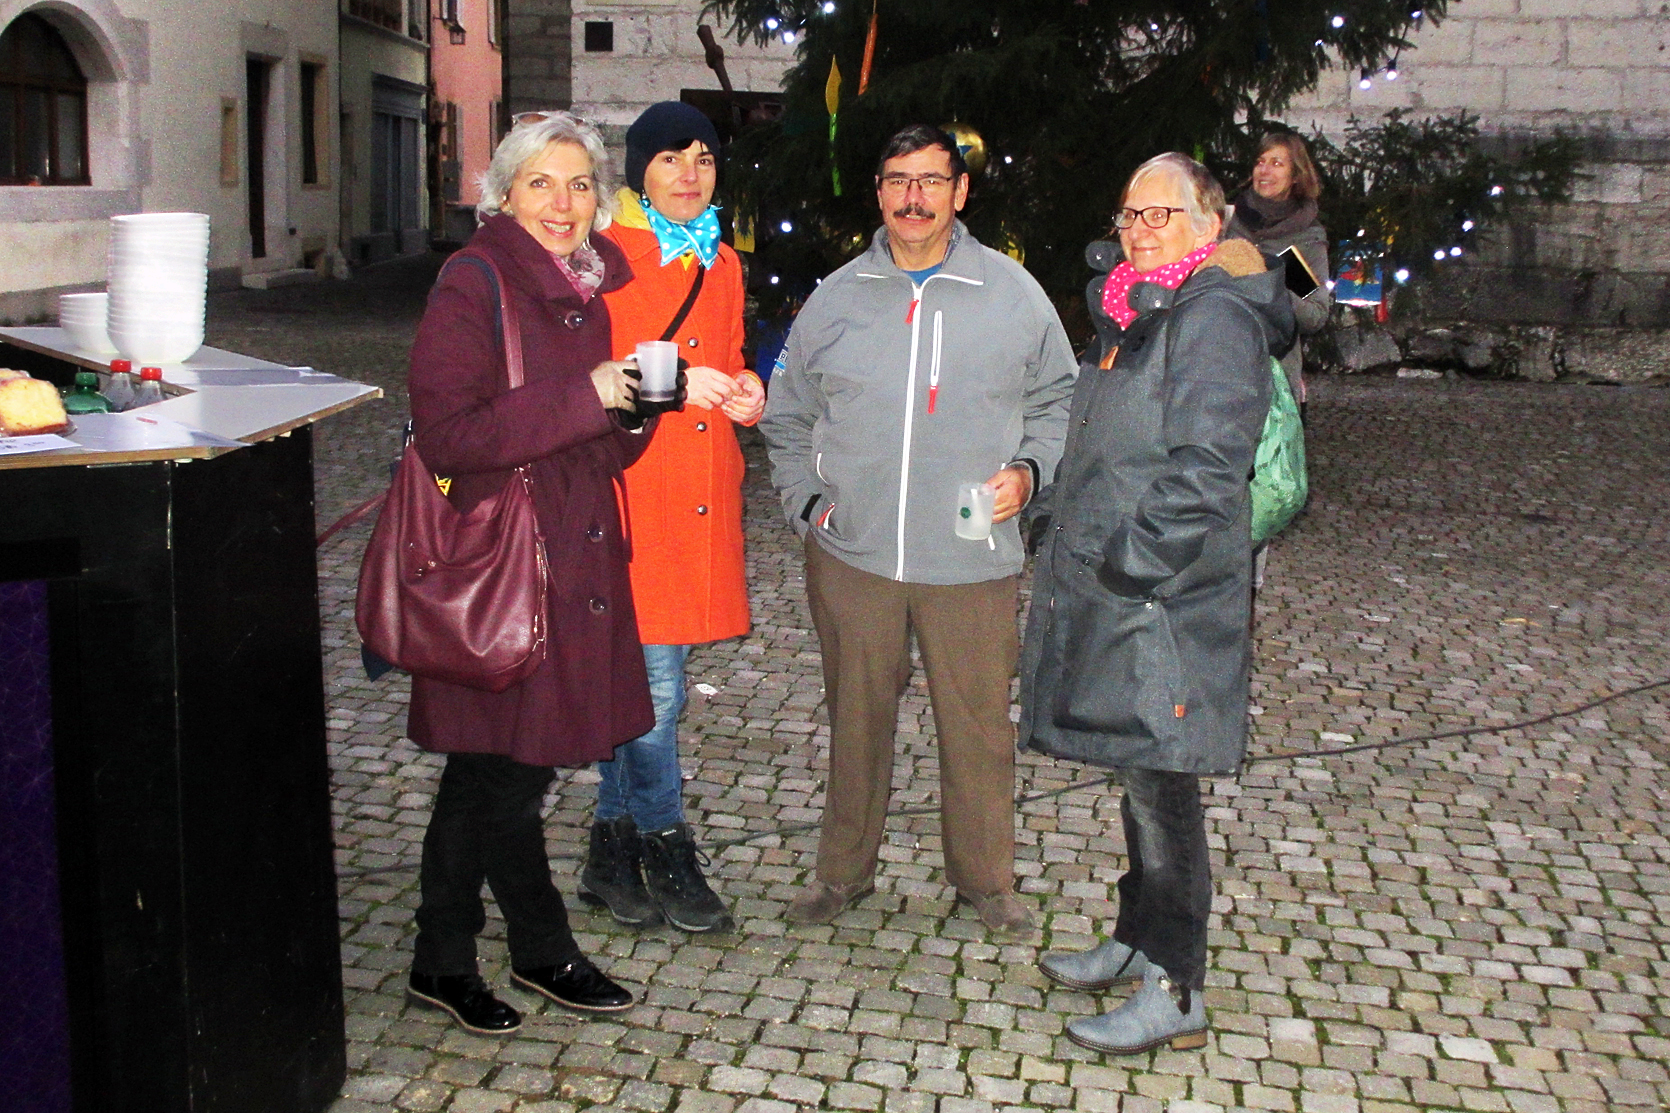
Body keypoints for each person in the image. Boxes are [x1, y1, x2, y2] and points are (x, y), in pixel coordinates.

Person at [761, 124, 1078, 941]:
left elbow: (1061, 400)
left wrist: (1031, 472)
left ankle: (986, 878)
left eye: (931, 181)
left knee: (976, 726)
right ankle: (840, 870)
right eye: (898, 179)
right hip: (854, 553)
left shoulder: (1012, 293)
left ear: (959, 192)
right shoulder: (836, 296)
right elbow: (787, 412)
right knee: (854, 716)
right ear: (878, 191)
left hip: (971, 556)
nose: (913, 197)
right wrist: (808, 505)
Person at [1019, 153, 1295, 1054]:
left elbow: (1208, 471)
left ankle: (1178, 986)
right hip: (1123, 590)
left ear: (1208, 225)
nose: (1139, 231)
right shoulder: (1137, 309)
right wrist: (1058, 519)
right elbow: (1096, 436)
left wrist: (1131, 564)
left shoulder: (1211, 316)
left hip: (1166, 599)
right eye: (1130, 214)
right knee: (1139, 776)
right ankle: (1139, 939)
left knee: (1165, 787)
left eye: (1161, 215)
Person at [403, 111, 671, 1034]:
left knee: (509, 768)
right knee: (495, 775)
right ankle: (455, 955)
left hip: (572, 561)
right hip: (502, 570)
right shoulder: (472, 282)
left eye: (581, 184)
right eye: (542, 184)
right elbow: (451, 436)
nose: (564, 203)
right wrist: (586, 393)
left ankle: (530, 946)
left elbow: (595, 450)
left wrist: (633, 412)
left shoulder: (584, 290)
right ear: (504, 194)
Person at [578, 101, 766, 933]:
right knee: (656, 689)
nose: (689, 177)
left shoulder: (723, 262)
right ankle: (664, 841)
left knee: (653, 685)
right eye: (670, 161)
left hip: (700, 494)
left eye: (704, 160)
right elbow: (593, 378)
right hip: (633, 493)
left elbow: (723, 360)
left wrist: (748, 391)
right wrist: (673, 388)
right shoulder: (603, 258)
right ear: (638, 171)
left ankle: (608, 850)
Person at [1225, 131, 1330, 411]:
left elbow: (1315, 316)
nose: (1265, 170)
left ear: (1296, 175)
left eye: (1277, 163)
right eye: (1261, 161)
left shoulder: (1305, 237)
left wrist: (1271, 283)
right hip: (1220, 369)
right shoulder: (1227, 224)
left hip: (1274, 380)